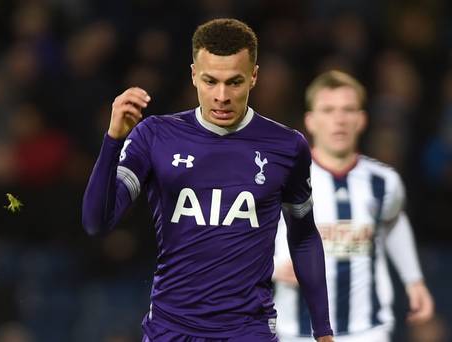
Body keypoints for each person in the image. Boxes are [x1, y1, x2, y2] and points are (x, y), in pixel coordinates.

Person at [82, 19, 333, 342]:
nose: (222, 96)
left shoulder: (287, 146)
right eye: (210, 81)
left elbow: (303, 236)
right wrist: (113, 139)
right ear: (193, 75)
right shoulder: (156, 136)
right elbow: (96, 223)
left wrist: (323, 330)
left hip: (248, 330)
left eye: (234, 82)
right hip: (171, 328)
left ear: (254, 76)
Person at [273, 70, 434, 342]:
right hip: (297, 331)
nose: (339, 119)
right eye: (328, 110)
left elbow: (393, 222)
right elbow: (243, 237)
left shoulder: (383, 181)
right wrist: (272, 267)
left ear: (361, 120)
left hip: (367, 330)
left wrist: (413, 280)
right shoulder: (281, 180)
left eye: (348, 110)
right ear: (310, 121)